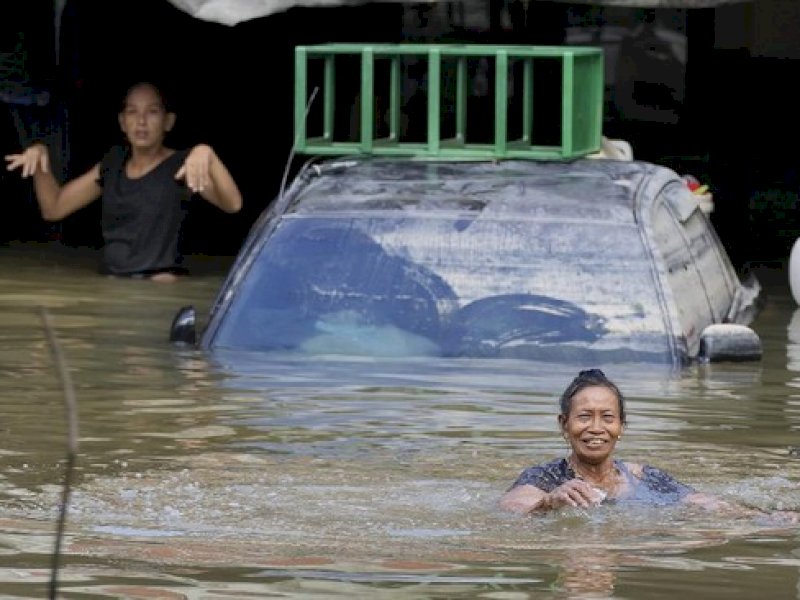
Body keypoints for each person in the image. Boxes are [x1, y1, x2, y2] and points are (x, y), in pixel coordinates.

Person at [4, 81, 243, 282]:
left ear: (168, 121)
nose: (141, 121)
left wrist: (208, 154)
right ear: (122, 122)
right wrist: (39, 161)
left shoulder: (183, 166)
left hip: (158, 287)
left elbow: (232, 204)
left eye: (152, 112)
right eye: (132, 111)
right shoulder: (113, 164)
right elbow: (54, 208)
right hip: (113, 283)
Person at [500, 368, 799, 521]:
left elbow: (701, 502)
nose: (595, 428)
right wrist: (548, 503)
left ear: (621, 427)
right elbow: (510, 509)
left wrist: (766, 518)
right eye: (583, 417)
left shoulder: (642, 476)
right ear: (564, 425)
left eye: (607, 417)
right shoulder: (547, 478)